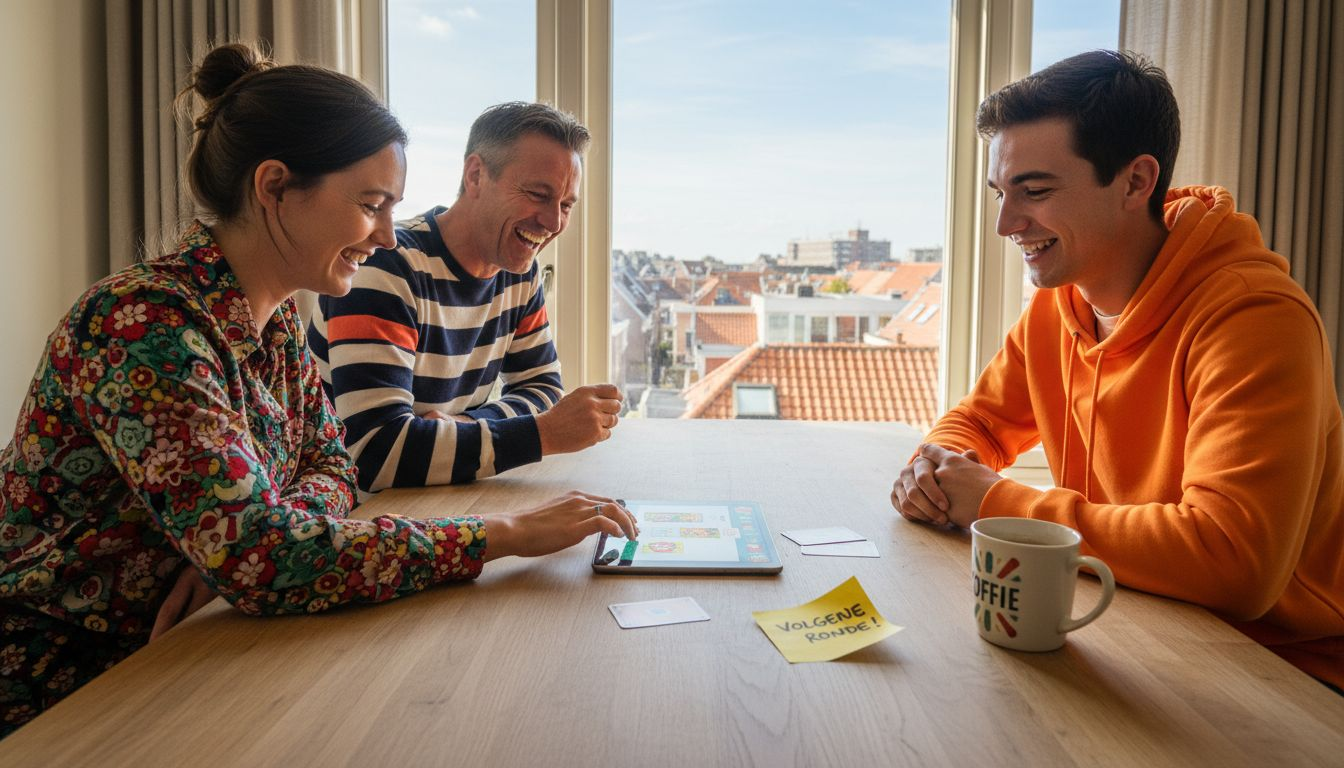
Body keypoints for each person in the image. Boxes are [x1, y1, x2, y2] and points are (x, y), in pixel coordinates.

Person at [0, 43, 637, 736]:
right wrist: (504, 533)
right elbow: (270, 551)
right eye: (370, 205)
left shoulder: (269, 328)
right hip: (66, 686)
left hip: (200, 649)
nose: (387, 233)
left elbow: (332, 469)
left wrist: (240, 550)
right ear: (274, 187)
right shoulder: (142, 325)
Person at [890, 50, 1342, 689]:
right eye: (1001, 192)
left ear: (1135, 182)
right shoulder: (1062, 303)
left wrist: (996, 502)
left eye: (1036, 191)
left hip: (1283, 672)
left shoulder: (1253, 317)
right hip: (1139, 623)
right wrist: (936, 467)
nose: (1005, 223)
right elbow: (979, 422)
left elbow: (1234, 563)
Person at [308, 102, 623, 493]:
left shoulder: (519, 272)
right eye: (537, 194)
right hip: (355, 517)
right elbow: (377, 455)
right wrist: (542, 434)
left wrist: (469, 426)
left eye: (565, 205)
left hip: (436, 504)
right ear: (475, 175)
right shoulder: (385, 264)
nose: (554, 222)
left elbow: (542, 389)